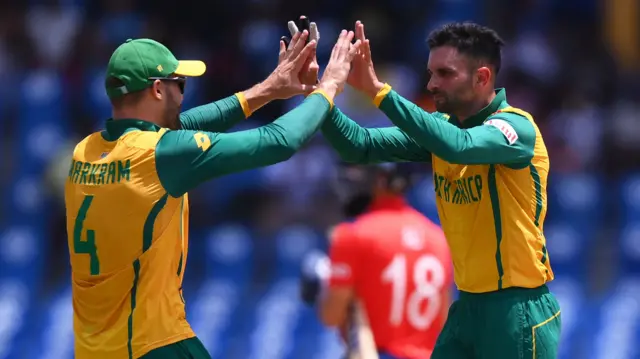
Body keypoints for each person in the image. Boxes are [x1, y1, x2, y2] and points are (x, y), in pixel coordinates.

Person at [65, 29, 361, 359]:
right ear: (158, 89)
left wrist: (269, 89)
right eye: (180, 85)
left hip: (98, 349)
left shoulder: (85, 151)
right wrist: (327, 89)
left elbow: (184, 126)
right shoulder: (160, 155)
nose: (183, 95)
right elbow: (279, 141)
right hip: (150, 345)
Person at [317, 21, 561, 359]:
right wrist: (320, 95)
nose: (432, 84)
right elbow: (359, 146)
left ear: (482, 78)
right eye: (431, 73)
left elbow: (459, 146)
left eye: (445, 74)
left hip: (515, 308)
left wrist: (379, 92)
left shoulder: (516, 127)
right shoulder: (442, 131)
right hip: (467, 308)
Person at [300, 163, 453, 359]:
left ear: (382, 179)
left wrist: (322, 285)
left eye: (360, 172)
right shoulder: (438, 237)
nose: (353, 179)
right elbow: (444, 319)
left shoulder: (352, 235)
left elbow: (331, 315)